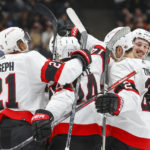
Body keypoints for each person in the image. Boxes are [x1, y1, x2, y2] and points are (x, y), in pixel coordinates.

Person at [32, 27, 131, 150]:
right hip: (94, 132)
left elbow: (65, 95)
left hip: (64, 131)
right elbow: (102, 48)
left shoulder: (59, 69)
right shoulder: (95, 59)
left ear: (57, 52)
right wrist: (83, 36)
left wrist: (47, 114)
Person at [0, 26, 92, 149]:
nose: (26, 42)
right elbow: (65, 73)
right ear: (18, 44)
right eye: (23, 40)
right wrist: (81, 58)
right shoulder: (29, 58)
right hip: (25, 128)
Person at [95, 28, 150, 150]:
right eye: (139, 44)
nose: (142, 49)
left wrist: (118, 103)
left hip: (124, 134)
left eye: (146, 46)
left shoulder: (122, 66)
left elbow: (130, 95)